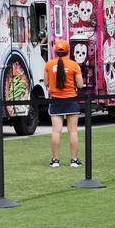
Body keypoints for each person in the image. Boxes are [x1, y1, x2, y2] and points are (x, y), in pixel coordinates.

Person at [44, 39, 85, 167]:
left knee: (56, 131)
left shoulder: (49, 65)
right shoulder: (74, 65)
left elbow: (46, 83)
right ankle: (74, 160)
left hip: (55, 100)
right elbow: (80, 84)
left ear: (55, 51)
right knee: (73, 131)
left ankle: (55, 160)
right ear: (68, 51)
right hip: (71, 100)